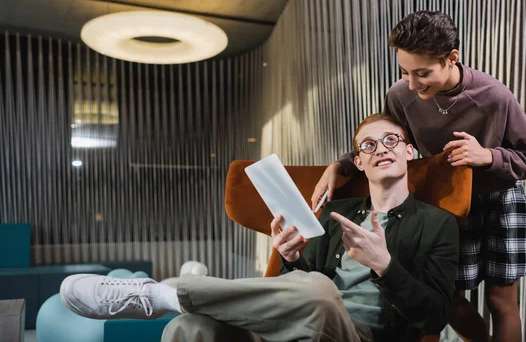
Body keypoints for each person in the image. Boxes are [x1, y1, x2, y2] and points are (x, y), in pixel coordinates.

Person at [60, 113, 460, 342]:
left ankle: (167, 293)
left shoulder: (438, 224)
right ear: (358, 162)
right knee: (189, 329)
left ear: (409, 151)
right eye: (368, 146)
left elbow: (435, 317)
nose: (381, 149)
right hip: (293, 325)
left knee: (321, 292)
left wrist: (385, 265)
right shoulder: (336, 210)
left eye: (391, 140)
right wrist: (289, 258)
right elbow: (295, 285)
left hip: (359, 336)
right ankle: (177, 301)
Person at [311, 11, 526, 342]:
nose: (412, 83)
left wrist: (488, 156)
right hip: (443, 199)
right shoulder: (400, 94)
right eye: (405, 72)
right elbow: (388, 140)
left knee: (500, 300)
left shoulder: (494, 95)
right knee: (445, 297)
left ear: (452, 58)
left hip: (496, 200)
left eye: (422, 73)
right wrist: (342, 165)